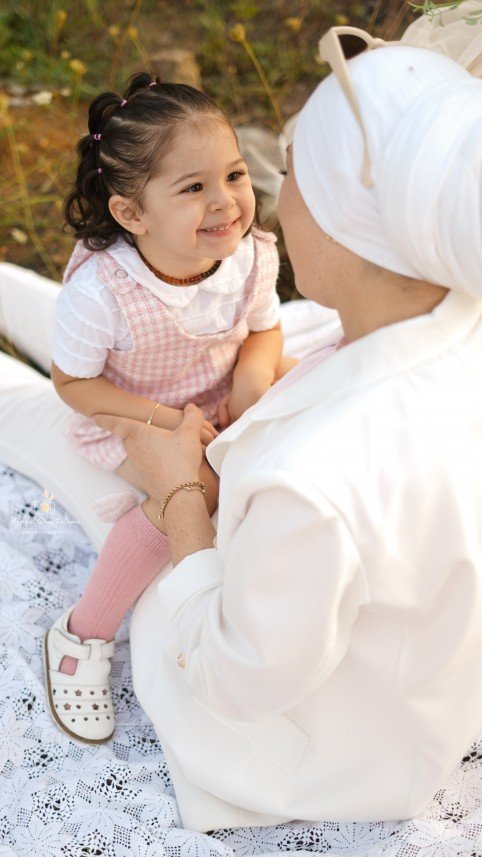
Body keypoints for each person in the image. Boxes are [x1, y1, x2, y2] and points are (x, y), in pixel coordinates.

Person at [92, 25, 482, 831]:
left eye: (293, 175)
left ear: (348, 221)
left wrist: (179, 500)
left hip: (333, 749)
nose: (267, 196)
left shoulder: (318, 477)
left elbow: (241, 676)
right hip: (434, 678)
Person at [43, 71, 296, 744]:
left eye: (235, 174)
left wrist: (252, 377)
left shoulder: (248, 256)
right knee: (197, 491)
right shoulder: (103, 290)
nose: (227, 203)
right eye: (193, 188)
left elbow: (266, 328)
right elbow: (73, 383)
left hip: (219, 392)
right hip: (137, 415)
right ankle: (84, 631)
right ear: (132, 214)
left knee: (314, 401)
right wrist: (166, 427)